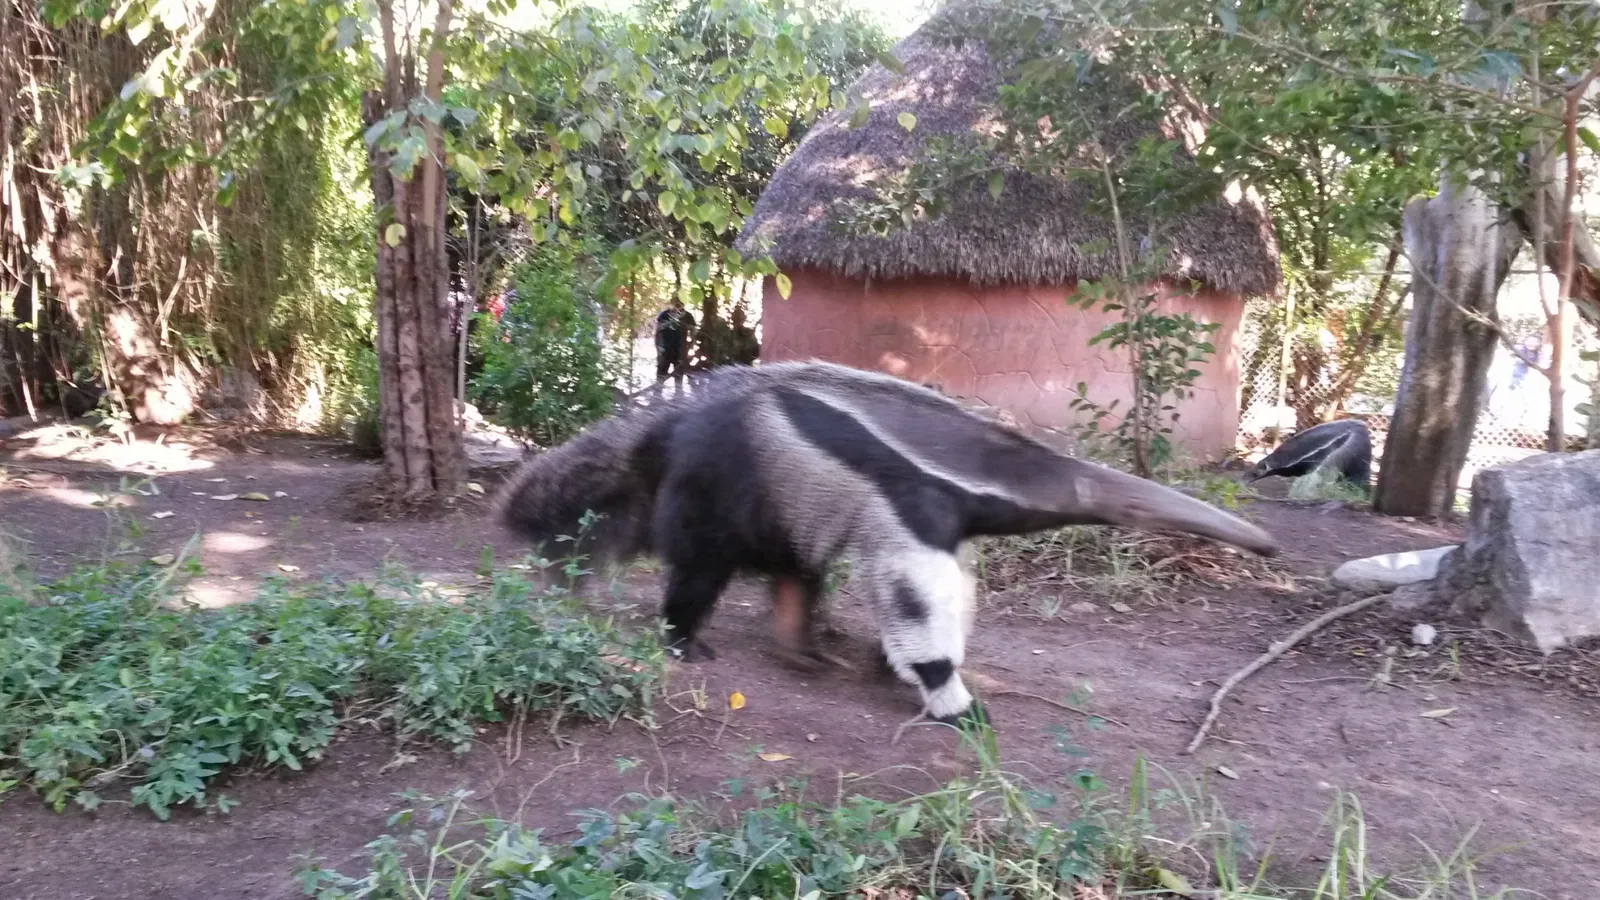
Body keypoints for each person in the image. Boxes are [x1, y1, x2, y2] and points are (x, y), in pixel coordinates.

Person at [655, 298, 695, 382]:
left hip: (680, 350)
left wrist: (690, 347)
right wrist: (658, 347)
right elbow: (658, 330)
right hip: (665, 349)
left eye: (679, 304)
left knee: (678, 377)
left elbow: (693, 332)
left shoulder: (687, 316)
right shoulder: (664, 315)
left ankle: (679, 394)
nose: (677, 306)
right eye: (675, 304)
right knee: (660, 375)